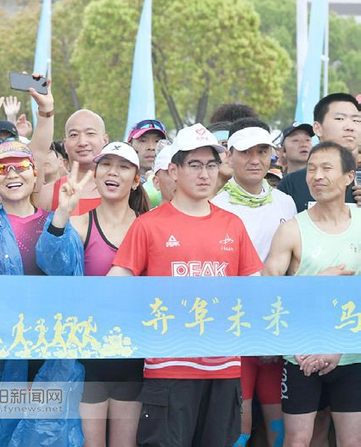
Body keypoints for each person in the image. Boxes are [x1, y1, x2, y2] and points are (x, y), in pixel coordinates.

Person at [108, 123, 263, 446]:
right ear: (174, 170)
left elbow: (255, 290)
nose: (204, 174)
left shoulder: (233, 225)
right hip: (168, 367)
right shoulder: (148, 226)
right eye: (194, 165)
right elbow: (115, 287)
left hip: (223, 367)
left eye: (211, 165)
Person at [0, 140, 84, 446]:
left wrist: (61, 218)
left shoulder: (56, 221)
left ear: (35, 172)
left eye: (20, 166)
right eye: (2, 168)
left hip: (48, 350)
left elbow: (66, 275)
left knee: (48, 433)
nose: (12, 174)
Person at [43, 142, 149, 447]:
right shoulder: (79, 224)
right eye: (106, 165)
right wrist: (62, 213)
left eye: (123, 167)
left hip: (133, 354)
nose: (113, 172)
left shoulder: (149, 226)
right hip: (89, 354)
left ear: (136, 179)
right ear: (97, 173)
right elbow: (50, 263)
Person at [264, 142, 361, 447]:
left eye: (327, 168)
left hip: (352, 353)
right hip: (301, 354)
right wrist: (315, 282)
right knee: (298, 440)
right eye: (312, 169)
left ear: (349, 177)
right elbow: (267, 292)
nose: (317, 176)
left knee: (352, 440)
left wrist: (339, 346)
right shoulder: (292, 229)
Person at [211, 122, 296, 447]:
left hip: (276, 326)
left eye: (262, 151)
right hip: (234, 327)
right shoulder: (216, 205)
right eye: (246, 152)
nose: (255, 159)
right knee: (240, 421)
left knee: (280, 421)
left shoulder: (285, 203)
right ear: (229, 156)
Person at [278, 93, 361, 212]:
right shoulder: (292, 184)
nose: (350, 127)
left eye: (356, 120)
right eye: (339, 119)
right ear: (317, 128)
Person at [39, 109, 109, 215]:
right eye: (74, 135)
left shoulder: (123, 190)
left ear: (105, 140)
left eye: (90, 133)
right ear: (65, 145)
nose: (82, 142)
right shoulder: (47, 193)